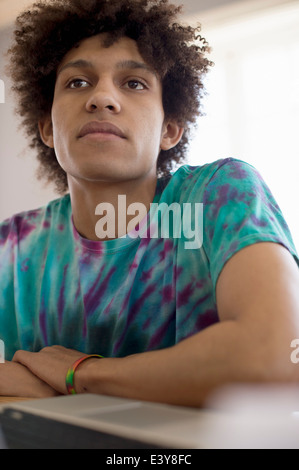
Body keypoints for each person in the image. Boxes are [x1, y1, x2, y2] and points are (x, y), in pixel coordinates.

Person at [0, 0, 298, 407]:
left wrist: (79, 374)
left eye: (134, 83)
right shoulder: (13, 244)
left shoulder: (220, 194)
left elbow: (278, 356)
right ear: (48, 129)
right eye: (77, 82)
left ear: (170, 129)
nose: (102, 97)